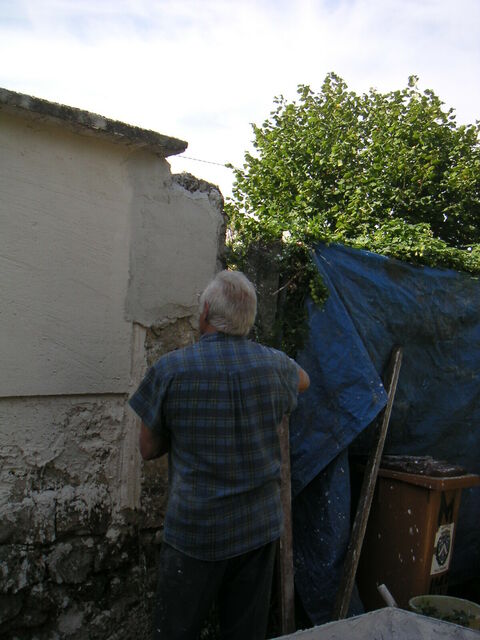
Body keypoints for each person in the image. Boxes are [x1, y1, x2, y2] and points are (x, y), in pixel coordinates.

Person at [129, 270, 310, 640]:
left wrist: (181, 432)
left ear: (206, 312)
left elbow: (147, 449)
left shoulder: (171, 369)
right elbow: (303, 380)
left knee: (175, 632)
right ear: (248, 319)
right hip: (258, 527)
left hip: (197, 532)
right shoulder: (275, 366)